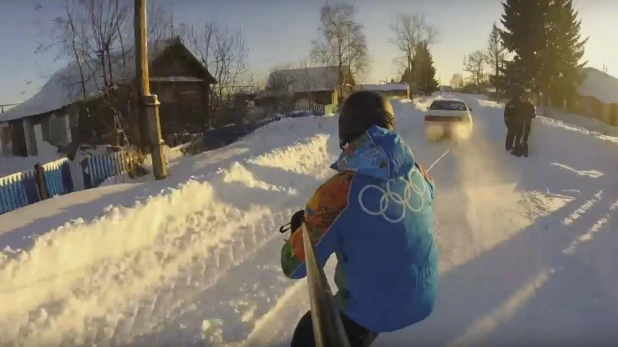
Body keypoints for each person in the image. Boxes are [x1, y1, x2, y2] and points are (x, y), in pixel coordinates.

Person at [279, 90, 439, 347]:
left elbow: (295, 267)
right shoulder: (419, 173)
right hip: (424, 301)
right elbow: (432, 190)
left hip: (370, 313)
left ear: (347, 135)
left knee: (307, 333)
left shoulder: (338, 191)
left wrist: (301, 233)